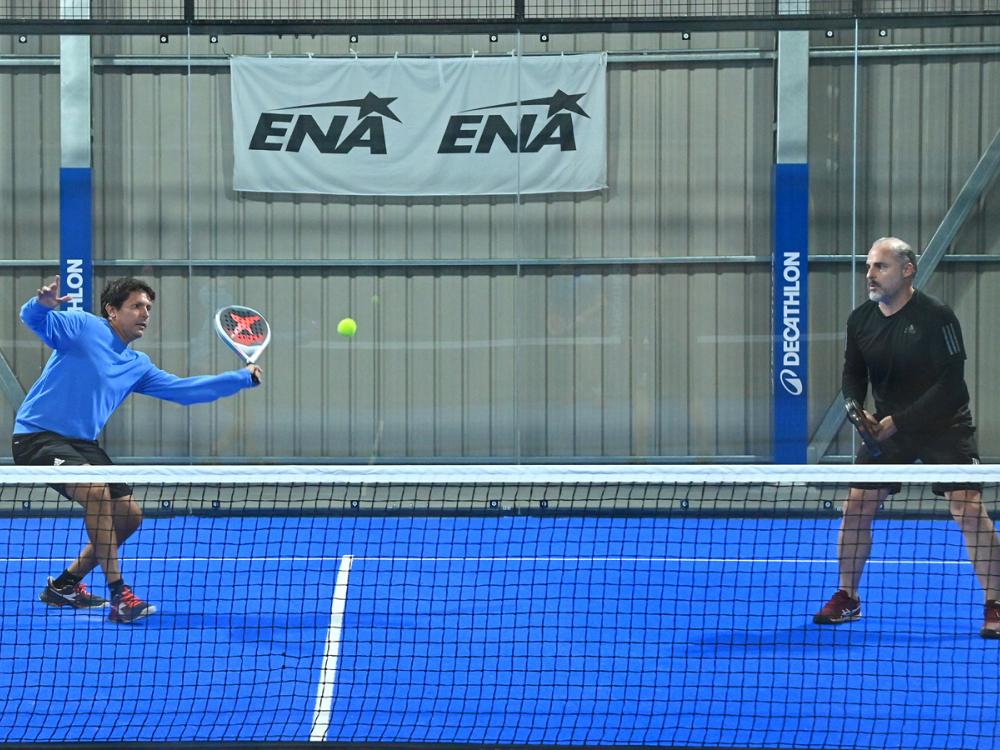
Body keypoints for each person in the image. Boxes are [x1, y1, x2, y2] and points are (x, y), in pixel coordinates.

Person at [12, 276, 262, 624]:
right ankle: (120, 595)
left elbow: (184, 391)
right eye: (136, 306)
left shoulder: (137, 364)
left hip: (82, 443)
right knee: (96, 491)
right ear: (112, 311)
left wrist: (241, 378)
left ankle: (65, 585)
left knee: (129, 517)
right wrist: (42, 304)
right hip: (37, 437)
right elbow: (33, 319)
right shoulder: (83, 327)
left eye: (148, 307)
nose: (145, 313)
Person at [813, 237, 1000, 638]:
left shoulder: (937, 316)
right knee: (857, 506)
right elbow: (853, 375)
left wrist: (897, 421)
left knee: (968, 507)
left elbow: (952, 385)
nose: (870, 274)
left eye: (880, 266)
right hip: (887, 430)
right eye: (868, 266)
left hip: (944, 425)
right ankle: (848, 596)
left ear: (907, 270)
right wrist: (857, 411)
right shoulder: (860, 320)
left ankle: (996, 603)